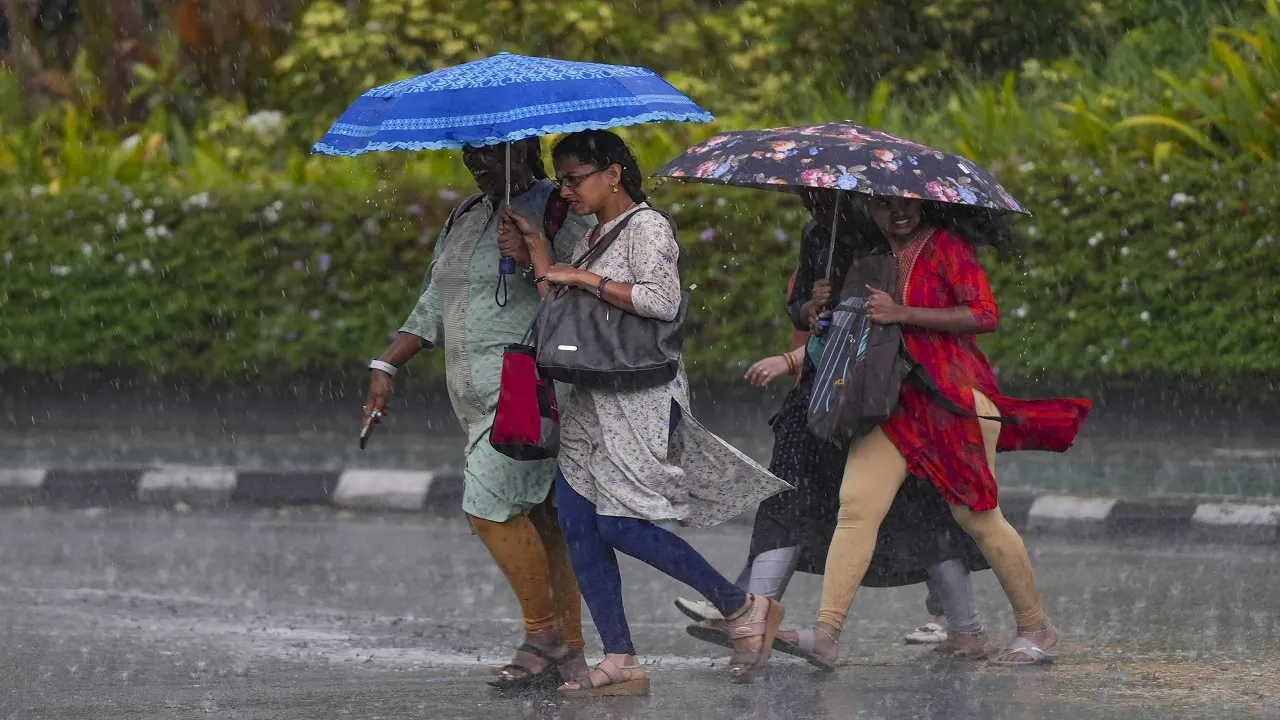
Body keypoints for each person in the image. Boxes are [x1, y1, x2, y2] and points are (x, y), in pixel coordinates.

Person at [500, 129, 791, 696]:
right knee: (578, 521)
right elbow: (567, 307)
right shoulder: (596, 232)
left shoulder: (648, 226)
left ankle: (743, 606)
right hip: (591, 393)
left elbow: (659, 301)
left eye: (574, 178)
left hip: (638, 395)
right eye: (560, 179)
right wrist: (538, 247)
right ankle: (621, 659)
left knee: (620, 523)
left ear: (612, 173)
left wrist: (579, 274)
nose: (565, 190)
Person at [778, 195, 1092, 669]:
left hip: (952, 401)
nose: (897, 213)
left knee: (978, 518)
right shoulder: (870, 257)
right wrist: (821, 312)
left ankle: (1036, 628)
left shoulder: (947, 246)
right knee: (857, 507)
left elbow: (985, 314)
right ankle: (826, 633)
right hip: (893, 404)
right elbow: (859, 329)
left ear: (924, 205)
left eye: (906, 204)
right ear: (871, 212)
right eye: (884, 206)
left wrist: (904, 313)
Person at [675, 191, 991, 662]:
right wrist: (810, 308)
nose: (815, 208)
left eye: (825, 200)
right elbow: (805, 308)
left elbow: (949, 315)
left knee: (922, 505)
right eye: (808, 200)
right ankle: (753, 614)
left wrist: (883, 309)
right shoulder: (820, 232)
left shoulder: (909, 240)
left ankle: (966, 627)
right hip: (822, 389)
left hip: (890, 393)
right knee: (788, 493)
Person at [361, 138, 595, 690]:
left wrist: (532, 253)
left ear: (525, 151)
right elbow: (433, 301)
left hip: (529, 389)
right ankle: (572, 656)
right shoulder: (466, 214)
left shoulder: (558, 209)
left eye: (489, 153)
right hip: (473, 398)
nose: (476, 164)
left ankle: (544, 636)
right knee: (543, 520)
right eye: (470, 155)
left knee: (488, 506)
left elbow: (585, 294)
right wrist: (386, 366)